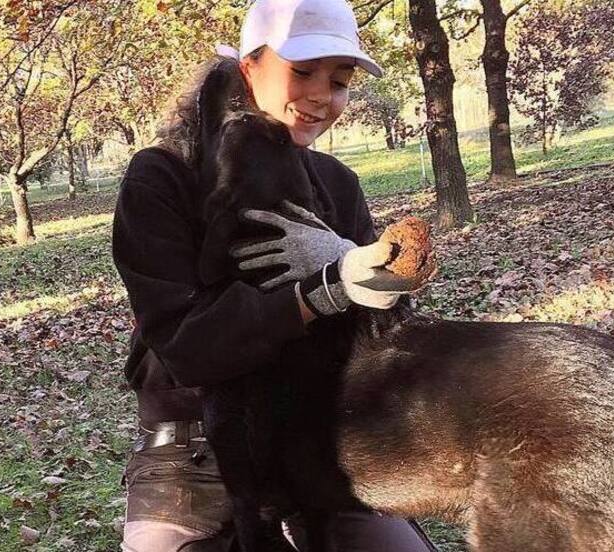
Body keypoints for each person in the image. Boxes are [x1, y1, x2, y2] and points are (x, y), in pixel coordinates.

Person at [111, 0, 438, 550]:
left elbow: (382, 333)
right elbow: (188, 349)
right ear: (249, 67)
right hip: (189, 452)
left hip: (320, 438)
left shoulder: (336, 183)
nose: (320, 95)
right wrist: (323, 290)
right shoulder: (162, 177)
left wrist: (373, 277)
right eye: (302, 71)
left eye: (339, 81)